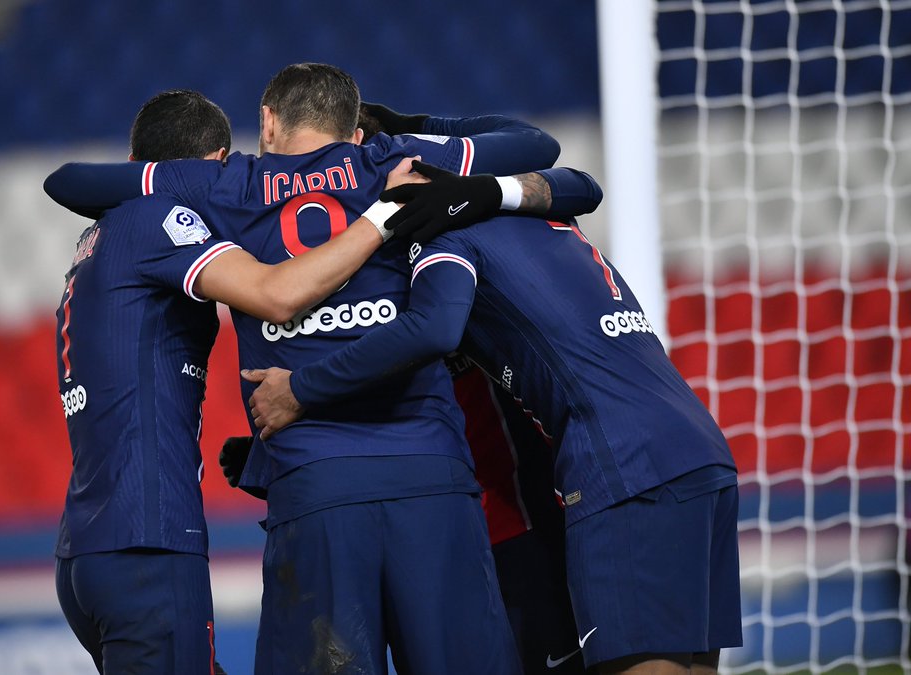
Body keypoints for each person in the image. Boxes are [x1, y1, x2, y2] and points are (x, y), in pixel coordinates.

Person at [44, 62, 600, 675]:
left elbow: (71, 182)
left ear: (268, 122)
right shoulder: (391, 159)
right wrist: (414, 130)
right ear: (354, 129)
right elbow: (537, 145)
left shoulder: (228, 182)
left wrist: (175, 175)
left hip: (316, 484)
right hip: (430, 471)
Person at [244, 162, 744, 675]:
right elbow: (577, 178)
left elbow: (430, 331)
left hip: (619, 468)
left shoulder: (445, 236)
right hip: (697, 448)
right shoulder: (545, 212)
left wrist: (302, 390)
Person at [52, 88, 432, 675]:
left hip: (88, 547)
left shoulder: (96, 243)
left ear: (136, 166)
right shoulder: (159, 222)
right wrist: (383, 216)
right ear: (219, 162)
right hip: (149, 541)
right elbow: (275, 295)